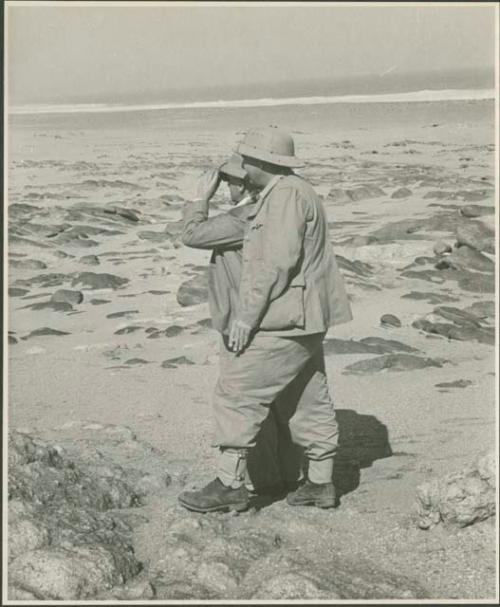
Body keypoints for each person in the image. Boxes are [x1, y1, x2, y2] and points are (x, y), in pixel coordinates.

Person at [179, 126, 353, 513]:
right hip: (302, 317)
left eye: (243, 161)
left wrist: (245, 317)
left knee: (236, 393)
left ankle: (229, 486)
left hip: (284, 319)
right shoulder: (290, 192)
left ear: (260, 162)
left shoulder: (285, 197)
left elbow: (273, 262)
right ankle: (319, 485)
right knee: (305, 397)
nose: (238, 171)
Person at [180, 153, 303, 504]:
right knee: (274, 400)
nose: (226, 188)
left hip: (244, 320)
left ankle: (244, 484)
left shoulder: (245, 217)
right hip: (265, 317)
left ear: (246, 182)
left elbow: (192, 234)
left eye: (229, 181)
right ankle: (277, 476)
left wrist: (198, 199)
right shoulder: (267, 210)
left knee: (241, 399)